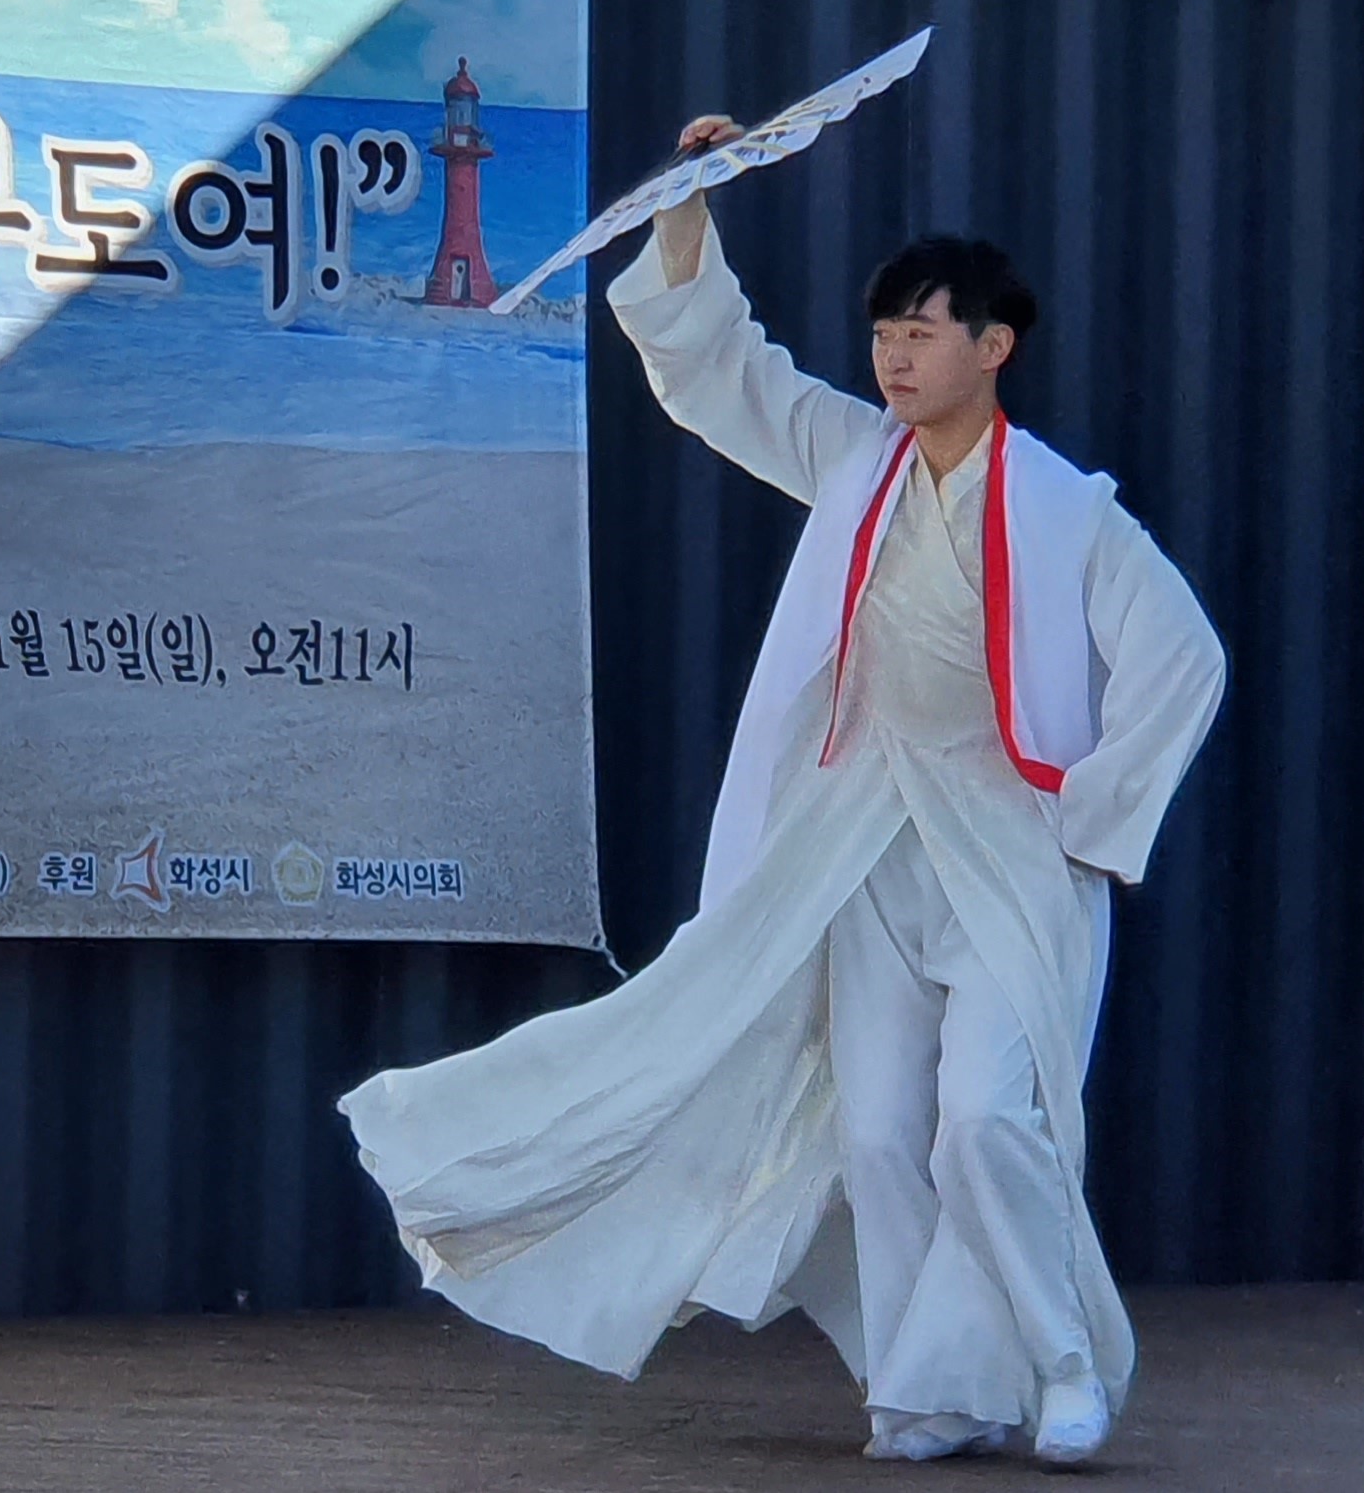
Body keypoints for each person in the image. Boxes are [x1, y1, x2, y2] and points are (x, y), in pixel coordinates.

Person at [341, 116, 1226, 1468]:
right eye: (883, 333)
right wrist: (690, 204)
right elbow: (724, 375)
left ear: (994, 346)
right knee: (877, 1132)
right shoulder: (854, 461)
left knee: (988, 1118)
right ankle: (926, 1387)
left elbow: (1183, 656)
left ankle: (1062, 1362)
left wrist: (1094, 814)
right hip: (860, 840)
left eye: (923, 333)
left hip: (1009, 843)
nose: (894, 356)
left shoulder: (1068, 510)